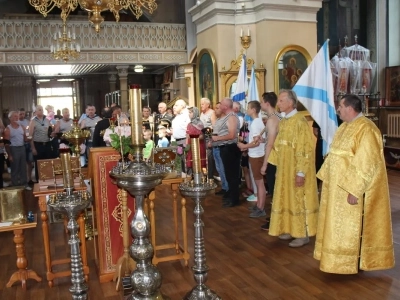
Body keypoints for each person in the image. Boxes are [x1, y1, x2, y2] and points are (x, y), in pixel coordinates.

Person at [314, 94, 395, 274]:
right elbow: (335, 154)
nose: (338, 110)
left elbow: (366, 163)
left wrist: (354, 190)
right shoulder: (344, 127)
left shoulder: (367, 129)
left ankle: (354, 261)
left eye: (340, 107)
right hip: (335, 190)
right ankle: (336, 259)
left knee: (354, 226)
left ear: (350, 108)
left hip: (350, 190)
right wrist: (325, 180)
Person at [267, 90, 319, 247]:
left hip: (296, 169)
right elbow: (278, 145)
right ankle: (289, 229)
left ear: (291, 103)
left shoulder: (300, 122)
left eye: (282, 101)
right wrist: (276, 168)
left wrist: (301, 172)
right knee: (286, 197)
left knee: (298, 199)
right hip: (284, 169)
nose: (278, 104)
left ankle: (302, 234)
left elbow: (305, 149)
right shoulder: (283, 121)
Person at [237, 101, 266, 218]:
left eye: (248, 108)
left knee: (259, 183)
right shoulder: (257, 122)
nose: (247, 110)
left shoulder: (255, 124)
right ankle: (259, 204)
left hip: (257, 155)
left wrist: (244, 146)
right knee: (258, 182)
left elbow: (256, 143)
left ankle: (261, 207)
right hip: (257, 155)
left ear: (253, 110)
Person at [211, 98, 241, 207]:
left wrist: (217, 138)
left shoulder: (232, 117)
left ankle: (234, 199)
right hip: (225, 148)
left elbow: (232, 135)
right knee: (229, 174)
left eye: (222, 105)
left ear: (225, 107)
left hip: (230, 148)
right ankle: (230, 196)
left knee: (232, 176)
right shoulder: (226, 117)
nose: (219, 106)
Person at [259, 92, 281, 230]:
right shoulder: (277, 117)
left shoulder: (273, 120)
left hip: (274, 158)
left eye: (262, 102)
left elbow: (271, 144)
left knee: (274, 189)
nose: (260, 104)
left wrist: (264, 164)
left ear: (267, 103)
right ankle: (275, 216)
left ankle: (276, 219)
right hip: (277, 156)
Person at [5, 111, 31, 190]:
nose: (16, 118)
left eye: (17, 116)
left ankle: (24, 184)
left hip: (22, 148)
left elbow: (25, 139)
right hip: (14, 149)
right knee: (15, 168)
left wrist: (29, 137)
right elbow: (6, 144)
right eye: (14, 116)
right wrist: (9, 155)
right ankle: (15, 185)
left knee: (23, 167)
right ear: (10, 118)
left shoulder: (22, 127)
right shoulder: (8, 129)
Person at [29, 105, 55, 182]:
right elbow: (30, 136)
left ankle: (48, 179)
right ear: (36, 112)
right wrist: (33, 148)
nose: (41, 111)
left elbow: (50, 131)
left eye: (42, 109)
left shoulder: (47, 120)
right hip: (38, 145)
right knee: (39, 164)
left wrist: (52, 134)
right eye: (39, 110)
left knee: (48, 163)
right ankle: (39, 180)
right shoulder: (33, 121)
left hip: (47, 144)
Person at [210, 102, 229, 196]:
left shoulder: (226, 120)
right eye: (215, 108)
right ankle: (224, 187)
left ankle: (228, 189)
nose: (215, 110)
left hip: (222, 147)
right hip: (215, 146)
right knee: (219, 169)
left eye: (217, 108)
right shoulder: (217, 120)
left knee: (223, 168)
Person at [185, 106, 206, 175]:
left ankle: (201, 178)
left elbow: (202, 136)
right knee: (190, 162)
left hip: (198, 146)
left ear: (195, 113)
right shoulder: (189, 124)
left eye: (191, 112)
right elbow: (187, 136)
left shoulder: (200, 123)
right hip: (190, 146)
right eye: (189, 112)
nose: (189, 114)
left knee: (198, 162)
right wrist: (186, 146)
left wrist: (193, 138)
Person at [200, 98, 216, 181]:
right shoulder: (202, 114)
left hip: (209, 137)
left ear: (208, 105)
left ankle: (210, 176)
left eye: (203, 104)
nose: (201, 105)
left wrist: (211, 140)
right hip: (202, 137)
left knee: (210, 157)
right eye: (201, 104)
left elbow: (214, 126)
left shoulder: (212, 113)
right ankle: (204, 174)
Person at [18, 108, 34, 184]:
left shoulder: (27, 122)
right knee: (21, 162)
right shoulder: (16, 122)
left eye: (23, 114)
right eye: (20, 114)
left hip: (27, 143)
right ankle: (21, 179)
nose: (22, 115)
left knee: (29, 161)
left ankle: (29, 178)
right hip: (20, 144)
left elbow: (29, 132)